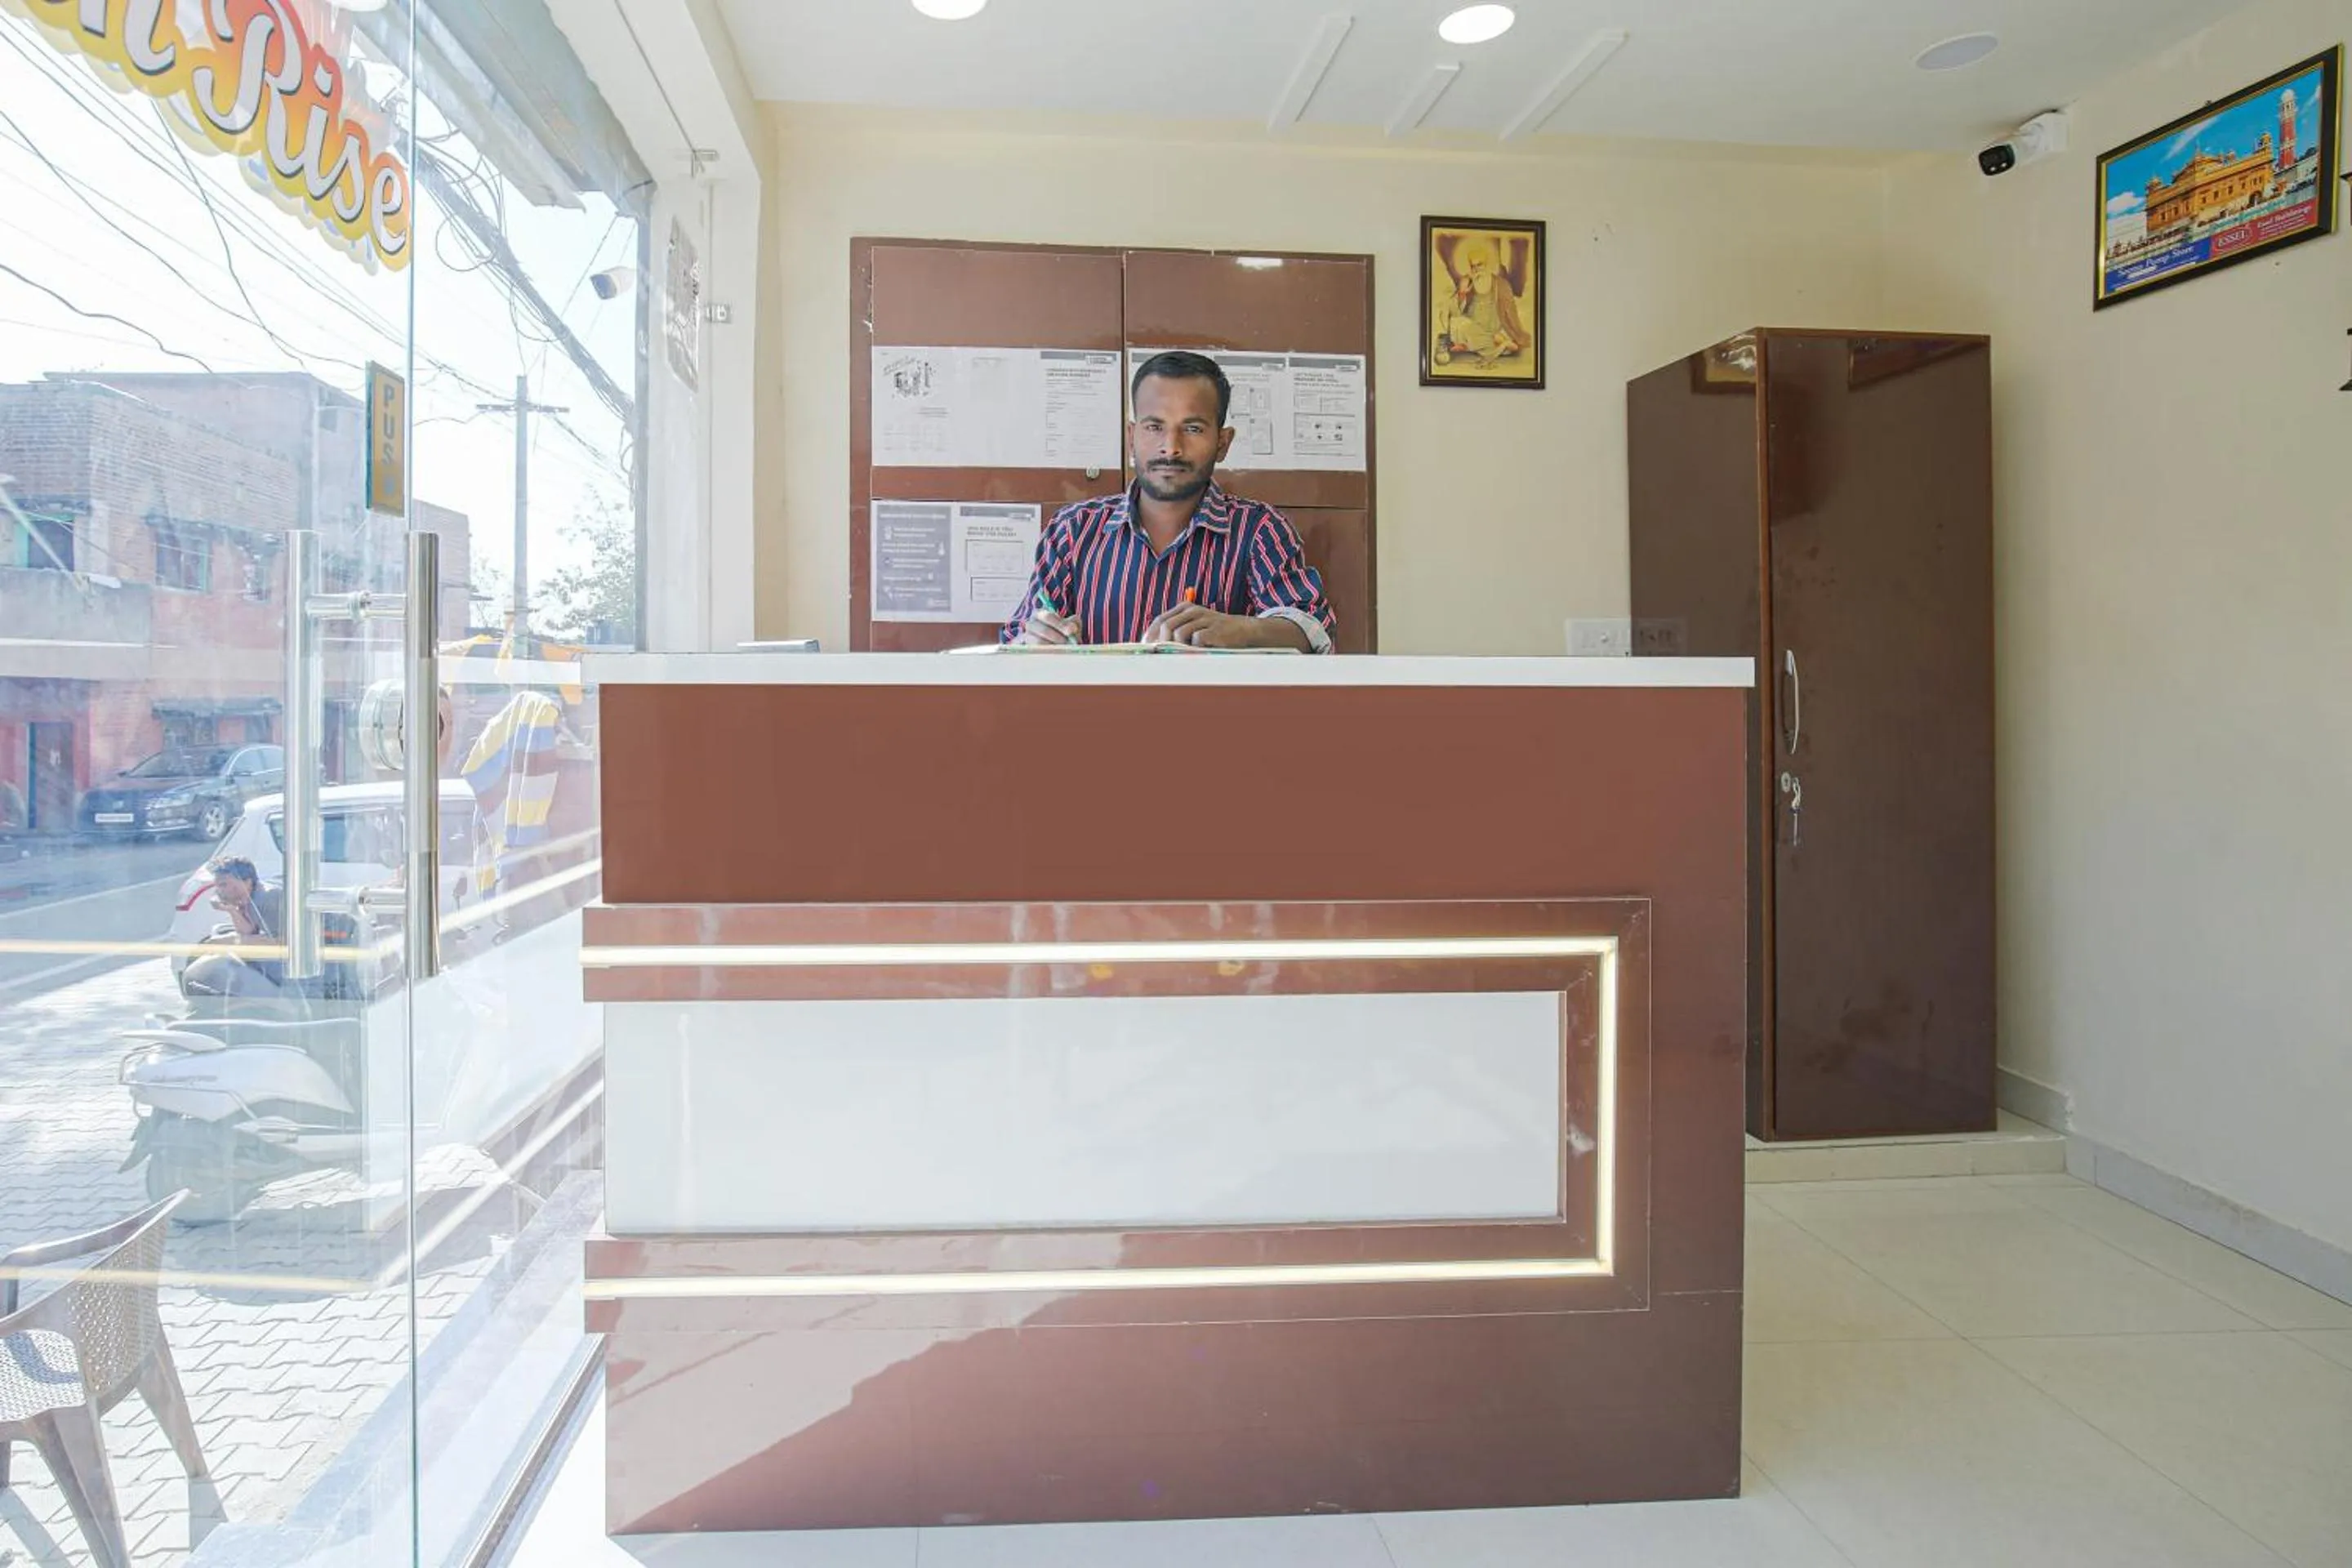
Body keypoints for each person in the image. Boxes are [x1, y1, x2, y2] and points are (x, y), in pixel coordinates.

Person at [1001, 352, 1336, 652]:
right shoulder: (1073, 530)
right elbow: (1016, 641)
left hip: (1215, 718)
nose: (1171, 447)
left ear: (1222, 442)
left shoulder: (1259, 530)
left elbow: (1313, 630)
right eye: (1154, 427)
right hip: (1095, 719)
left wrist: (1243, 629)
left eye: (1192, 428)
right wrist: (1032, 640)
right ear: (1132, 437)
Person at [184, 856, 290, 1000]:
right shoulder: (251, 897)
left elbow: (283, 942)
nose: (219, 891)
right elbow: (248, 931)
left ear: (247, 882)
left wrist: (228, 942)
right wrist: (232, 910)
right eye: (218, 886)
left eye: (224, 885)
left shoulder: (269, 898)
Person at [1435, 236, 1527, 369]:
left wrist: (1513, 329)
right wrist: (1462, 293)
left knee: (1500, 338)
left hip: (1493, 327)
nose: (1477, 269)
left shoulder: (1500, 284)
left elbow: (1510, 311)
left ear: (1487, 264)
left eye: (1480, 265)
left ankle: (1481, 344)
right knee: (1457, 322)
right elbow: (1455, 310)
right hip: (1473, 326)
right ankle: (1492, 344)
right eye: (1473, 266)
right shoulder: (1468, 281)